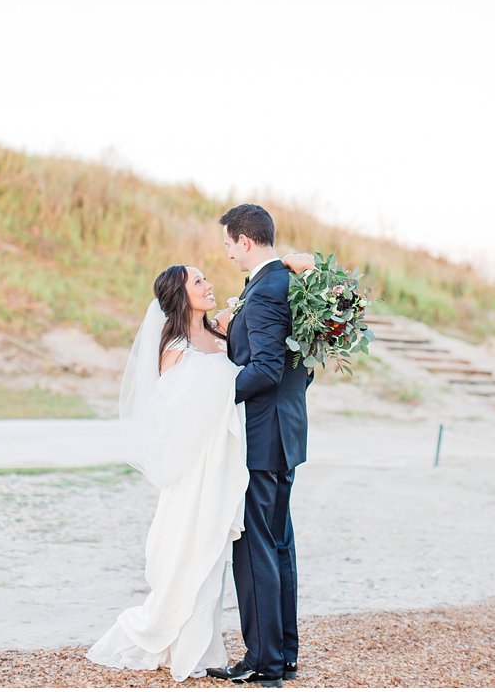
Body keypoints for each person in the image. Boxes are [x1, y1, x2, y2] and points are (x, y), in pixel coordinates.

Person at [86, 245, 313, 684]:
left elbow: (252, 370)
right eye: (198, 281)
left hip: (228, 461)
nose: (209, 284)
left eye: (207, 277)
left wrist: (285, 266)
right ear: (180, 295)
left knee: (218, 553)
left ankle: (207, 643)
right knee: (187, 550)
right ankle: (164, 631)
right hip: (196, 466)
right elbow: (177, 410)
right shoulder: (173, 348)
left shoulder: (223, 334)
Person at [207, 204, 314, 689]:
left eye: (229, 244)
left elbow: (267, 369)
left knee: (255, 549)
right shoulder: (287, 285)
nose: (227, 252)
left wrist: (211, 396)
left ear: (245, 241)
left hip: (262, 438)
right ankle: (284, 655)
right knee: (279, 545)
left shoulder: (268, 289)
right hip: (284, 432)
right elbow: (301, 366)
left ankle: (264, 662)